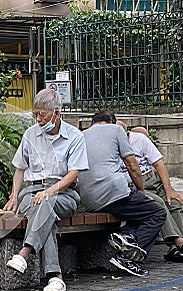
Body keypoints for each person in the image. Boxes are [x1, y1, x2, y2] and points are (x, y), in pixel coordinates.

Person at [3, 89, 89, 291]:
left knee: (46, 204)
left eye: (43, 114)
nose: (38, 119)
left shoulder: (75, 137)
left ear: (57, 113)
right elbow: (20, 168)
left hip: (63, 193)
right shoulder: (30, 134)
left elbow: (73, 174)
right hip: (32, 191)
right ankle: (55, 277)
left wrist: (50, 191)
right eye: (36, 114)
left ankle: (25, 252)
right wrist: (14, 195)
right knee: (44, 211)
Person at [78, 111, 166, 277]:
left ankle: (126, 237)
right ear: (112, 122)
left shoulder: (80, 135)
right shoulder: (116, 130)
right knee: (157, 213)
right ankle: (128, 257)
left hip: (89, 200)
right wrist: (141, 192)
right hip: (114, 193)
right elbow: (132, 165)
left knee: (137, 214)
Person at [117, 120, 183, 262]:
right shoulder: (111, 146)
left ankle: (176, 247)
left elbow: (158, 163)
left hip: (151, 178)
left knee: (174, 203)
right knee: (158, 204)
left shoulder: (139, 139)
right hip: (134, 184)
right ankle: (177, 243)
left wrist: (169, 189)